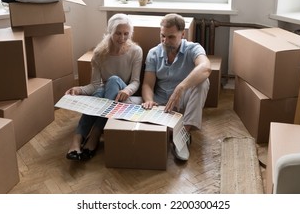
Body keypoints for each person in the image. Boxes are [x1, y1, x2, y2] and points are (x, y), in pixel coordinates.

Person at [65, 13, 143, 161]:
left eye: (126, 34)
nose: (122, 38)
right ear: (110, 32)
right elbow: (94, 85)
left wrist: (127, 90)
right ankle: (78, 139)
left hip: (123, 93)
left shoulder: (135, 51)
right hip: (105, 94)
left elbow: (135, 81)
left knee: (112, 80)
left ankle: (93, 134)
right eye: (118, 33)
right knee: (100, 91)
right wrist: (79, 90)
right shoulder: (99, 53)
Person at [141, 13, 211, 161]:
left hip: (183, 102)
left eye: (171, 37)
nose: (165, 41)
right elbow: (148, 83)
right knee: (125, 104)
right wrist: (148, 100)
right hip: (161, 103)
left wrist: (181, 87)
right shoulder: (153, 53)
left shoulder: (193, 48)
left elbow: (206, 68)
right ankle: (166, 130)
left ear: (182, 34)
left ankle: (182, 134)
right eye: (162, 36)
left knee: (203, 81)